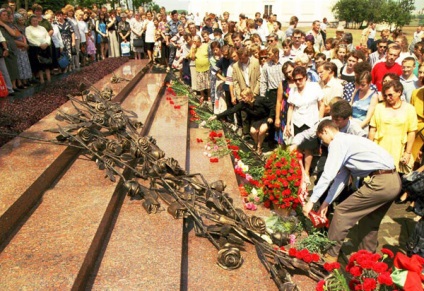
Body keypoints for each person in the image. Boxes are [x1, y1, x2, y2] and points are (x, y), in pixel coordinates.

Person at [302, 119, 401, 263]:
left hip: (381, 182)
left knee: (342, 212)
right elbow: (341, 179)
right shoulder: (348, 142)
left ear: (326, 131)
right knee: (370, 221)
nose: (322, 142)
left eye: (321, 138)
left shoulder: (337, 142)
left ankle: (330, 257)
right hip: (393, 181)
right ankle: (367, 261)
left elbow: (328, 174)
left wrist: (311, 201)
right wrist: (326, 203)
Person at [285, 66, 324, 183]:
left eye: (300, 79)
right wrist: (288, 124)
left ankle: (306, 172)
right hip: (297, 122)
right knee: (298, 147)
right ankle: (299, 170)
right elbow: (290, 108)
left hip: (312, 122)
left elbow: (321, 104)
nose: (298, 82)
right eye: (295, 80)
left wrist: (319, 120)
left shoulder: (314, 87)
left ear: (305, 78)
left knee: (309, 148)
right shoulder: (293, 90)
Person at [369, 80, 418, 173]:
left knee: (397, 179)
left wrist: (407, 153)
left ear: (399, 92)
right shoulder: (379, 107)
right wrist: (370, 149)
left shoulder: (409, 109)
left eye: (390, 95)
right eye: (385, 95)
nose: (388, 98)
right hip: (380, 147)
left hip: (399, 148)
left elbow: (412, 132)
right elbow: (372, 129)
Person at [209, 88, 274, 154]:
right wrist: (217, 116)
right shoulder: (243, 104)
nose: (242, 99)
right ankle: (256, 143)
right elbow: (231, 110)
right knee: (253, 132)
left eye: (244, 97)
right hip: (256, 119)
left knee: (262, 130)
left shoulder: (260, 100)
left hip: (265, 118)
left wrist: (271, 117)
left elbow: (272, 106)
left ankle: (259, 147)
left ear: (249, 95)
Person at [25, 14, 52, 83]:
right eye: (33, 21)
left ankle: (49, 79)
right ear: (30, 21)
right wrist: (39, 45)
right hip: (36, 48)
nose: (35, 22)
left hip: (45, 47)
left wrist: (46, 43)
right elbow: (29, 39)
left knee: (47, 63)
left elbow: (47, 36)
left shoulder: (42, 28)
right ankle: (42, 79)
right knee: (39, 65)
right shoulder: (28, 29)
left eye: (36, 20)